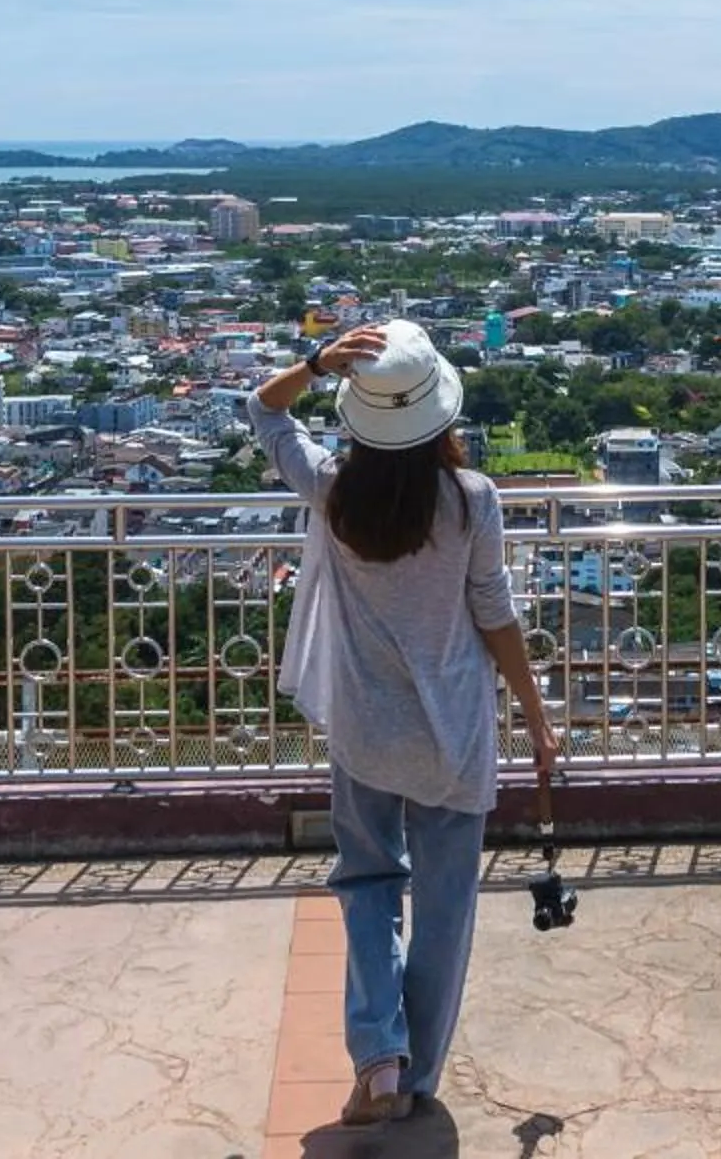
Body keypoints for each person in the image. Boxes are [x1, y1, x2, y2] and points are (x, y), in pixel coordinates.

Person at [249, 317, 560, 1127]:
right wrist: (533, 713)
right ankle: (414, 1077)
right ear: (439, 418)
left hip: (363, 729)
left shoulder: (334, 491)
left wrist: (316, 362)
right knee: (446, 905)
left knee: (366, 884)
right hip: (452, 733)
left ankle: (378, 1057)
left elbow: (264, 410)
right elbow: (494, 614)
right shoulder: (470, 501)